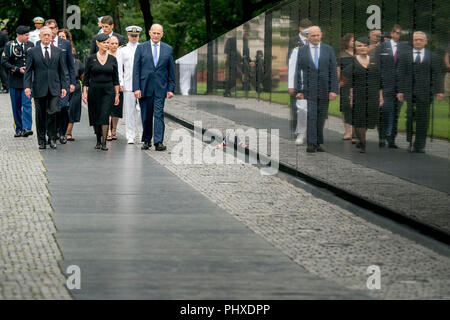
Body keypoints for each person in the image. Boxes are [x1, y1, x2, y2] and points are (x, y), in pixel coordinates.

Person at [397, 32, 445, 153]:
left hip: (425, 92)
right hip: (409, 91)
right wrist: (400, 90)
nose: (418, 41)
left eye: (420, 40)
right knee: (409, 116)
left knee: (423, 118)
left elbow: (437, 74)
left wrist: (439, 91)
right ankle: (410, 141)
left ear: (426, 41)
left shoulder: (433, 56)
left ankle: (420, 144)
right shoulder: (404, 56)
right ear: (412, 41)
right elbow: (401, 74)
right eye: (415, 39)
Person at [295, 26, 338, 153]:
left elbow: (333, 71)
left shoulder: (328, 50)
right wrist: (300, 90)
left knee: (321, 116)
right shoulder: (302, 51)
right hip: (309, 89)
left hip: (325, 89)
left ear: (321, 35)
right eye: (313, 36)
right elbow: (298, 72)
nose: (316, 38)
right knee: (311, 116)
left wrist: (333, 90)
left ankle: (318, 142)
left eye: (318, 35)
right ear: (308, 37)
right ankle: (311, 143)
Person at [133, 24, 175, 151]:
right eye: (154, 33)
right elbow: (136, 69)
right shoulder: (141, 48)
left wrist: (170, 88)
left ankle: (158, 142)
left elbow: (171, 70)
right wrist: (136, 88)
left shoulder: (168, 49)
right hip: (144, 87)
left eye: (159, 33)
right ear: (150, 33)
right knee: (146, 115)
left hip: (160, 88)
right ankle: (146, 140)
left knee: (158, 115)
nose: (156, 35)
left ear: (162, 34)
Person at [24, 26, 68, 150]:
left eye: (49, 35)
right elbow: (28, 71)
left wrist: (64, 86)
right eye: (44, 35)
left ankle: (52, 138)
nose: (47, 37)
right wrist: (27, 87)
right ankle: (42, 140)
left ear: (52, 36)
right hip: (39, 87)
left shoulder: (58, 51)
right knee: (40, 115)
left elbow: (62, 70)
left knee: (53, 112)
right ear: (40, 36)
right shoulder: (33, 51)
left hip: (54, 87)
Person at [39, 19, 76, 145]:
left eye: (53, 28)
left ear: (56, 29)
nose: (51, 31)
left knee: (62, 109)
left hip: (63, 82)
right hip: (46, 83)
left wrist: (72, 82)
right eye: (48, 28)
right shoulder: (39, 44)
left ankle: (62, 132)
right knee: (51, 110)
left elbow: (70, 65)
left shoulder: (65, 44)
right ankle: (52, 134)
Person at [342, 37, 382, 153]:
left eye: (365, 45)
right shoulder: (352, 63)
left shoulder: (375, 62)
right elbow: (346, 81)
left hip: (372, 95)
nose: (362, 48)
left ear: (368, 47)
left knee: (368, 120)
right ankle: (363, 144)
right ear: (356, 48)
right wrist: (350, 96)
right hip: (358, 96)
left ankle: (360, 139)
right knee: (359, 120)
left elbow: (380, 80)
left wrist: (381, 96)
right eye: (359, 46)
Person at [82, 33, 120, 151]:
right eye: (104, 43)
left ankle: (104, 143)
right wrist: (84, 92)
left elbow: (116, 79)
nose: (107, 45)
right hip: (94, 90)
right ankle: (98, 140)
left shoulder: (113, 59)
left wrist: (117, 94)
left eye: (108, 42)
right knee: (95, 116)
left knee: (104, 115)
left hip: (108, 91)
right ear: (98, 44)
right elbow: (86, 77)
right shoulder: (90, 58)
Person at [375, 24, 410, 148]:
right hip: (385, 85)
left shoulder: (406, 48)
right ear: (391, 33)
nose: (397, 35)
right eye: (395, 32)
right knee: (384, 110)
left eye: (399, 33)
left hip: (400, 86)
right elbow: (377, 67)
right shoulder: (382, 47)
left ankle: (391, 139)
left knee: (396, 113)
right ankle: (382, 137)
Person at [1, 26, 34, 137]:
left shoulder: (30, 45)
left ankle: (27, 128)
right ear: (19, 35)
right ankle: (18, 128)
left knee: (27, 104)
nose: (27, 37)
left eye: (28, 35)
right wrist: (16, 69)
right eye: (25, 35)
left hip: (27, 81)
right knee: (16, 106)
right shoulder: (10, 45)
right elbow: (4, 62)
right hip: (15, 80)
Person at [288, 18, 312, 145]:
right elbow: (291, 61)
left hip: (310, 79)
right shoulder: (293, 41)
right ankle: (297, 130)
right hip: (298, 78)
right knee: (296, 107)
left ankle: (309, 131)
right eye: (305, 29)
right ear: (300, 29)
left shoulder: (312, 41)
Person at [117, 26, 142, 144]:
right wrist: (120, 83)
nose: (134, 38)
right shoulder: (122, 50)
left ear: (139, 36)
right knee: (129, 111)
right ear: (128, 36)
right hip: (128, 83)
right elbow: (119, 68)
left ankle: (142, 133)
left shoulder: (143, 48)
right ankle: (130, 135)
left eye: (136, 36)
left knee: (142, 111)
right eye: (132, 35)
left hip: (142, 84)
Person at [337, 33, 355, 142]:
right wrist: (338, 83)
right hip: (345, 84)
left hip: (359, 84)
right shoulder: (341, 55)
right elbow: (338, 71)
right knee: (346, 107)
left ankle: (355, 132)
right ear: (347, 42)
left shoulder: (360, 53)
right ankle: (347, 131)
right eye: (352, 40)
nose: (354, 42)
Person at [106, 35, 123, 141]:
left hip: (119, 84)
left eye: (116, 43)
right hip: (108, 84)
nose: (114, 45)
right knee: (108, 109)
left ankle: (114, 130)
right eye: (112, 43)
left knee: (117, 109)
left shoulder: (121, 54)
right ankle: (107, 130)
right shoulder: (106, 54)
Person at [65, 47, 84, 142]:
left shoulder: (78, 63)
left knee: (72, 111)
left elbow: (83, 78)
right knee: (62, 110)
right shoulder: (61, 62)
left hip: (75, 90)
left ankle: (68, 133)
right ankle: (59, 132)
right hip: (63, 88)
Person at [0, 28, 9, 93]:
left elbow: (6, 45)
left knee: (2, 72)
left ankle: (6, 87)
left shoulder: (3, 34)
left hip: (0, 55)